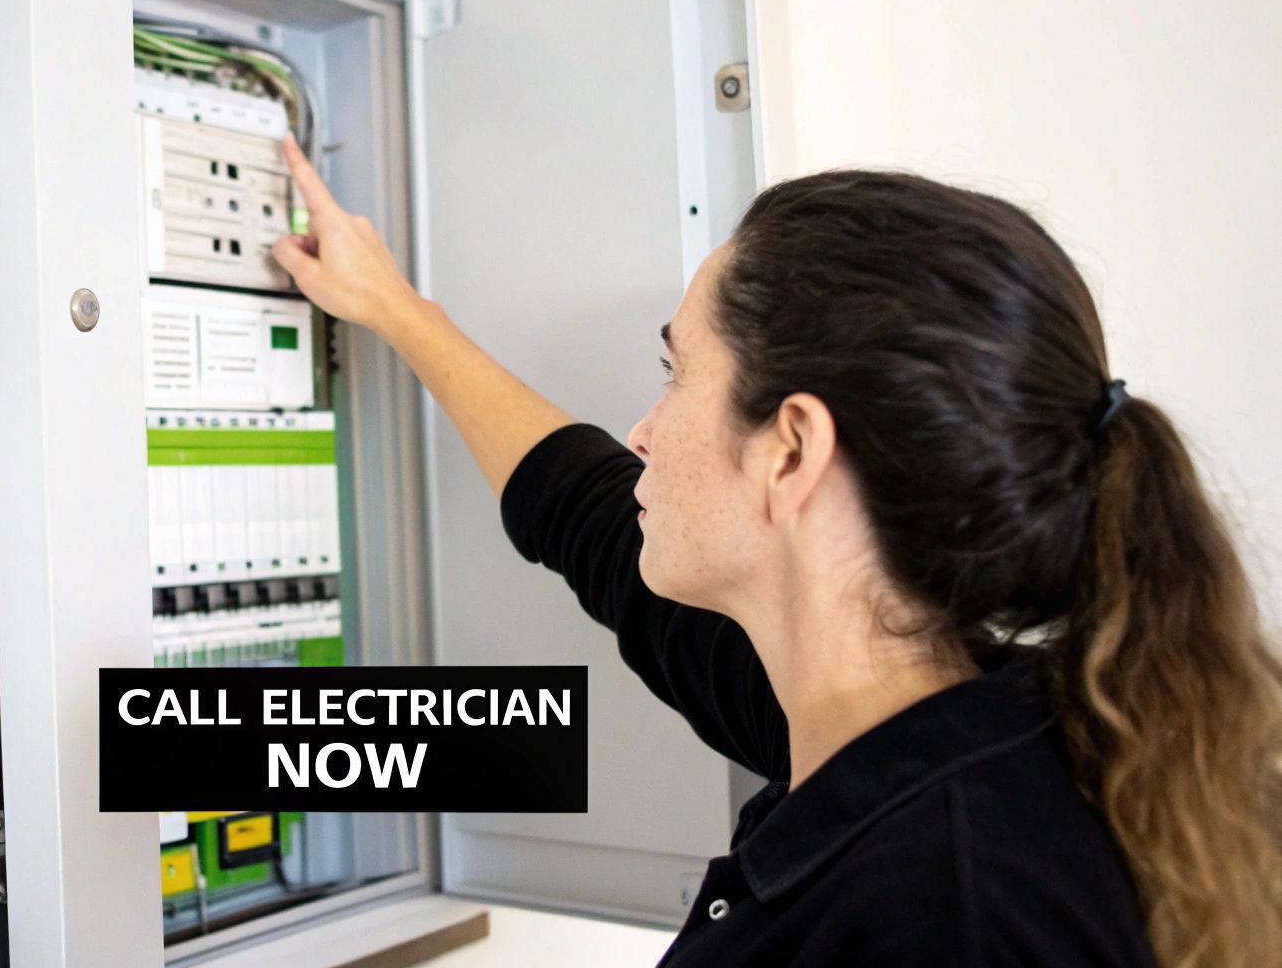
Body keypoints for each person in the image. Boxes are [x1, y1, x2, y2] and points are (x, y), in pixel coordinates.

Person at [271, 137, 1282, 966]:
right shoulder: (926, 722)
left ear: (791, 446)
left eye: (675, 375)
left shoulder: (955, 913)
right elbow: (579, 509)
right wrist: (397, 312)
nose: (642, 430)